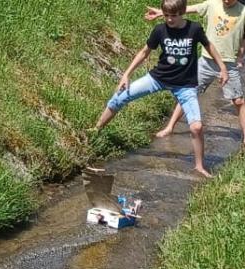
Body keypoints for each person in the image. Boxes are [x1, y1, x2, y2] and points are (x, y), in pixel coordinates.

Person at [91, 0, 229, 177]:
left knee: (196, 127)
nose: (170, 20)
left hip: (185, 85)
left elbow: (210, 46)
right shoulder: (159, 30)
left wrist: (223, 68)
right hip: (158, 78)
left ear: (183, 13)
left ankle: (199, 166)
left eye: (174, 15)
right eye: (166, 16)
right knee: (120, 96)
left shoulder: (194, 29)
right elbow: (144, 52)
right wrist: (126, 74)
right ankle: (96, 130)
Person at [144, 0, 245, 149]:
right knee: (188, 93)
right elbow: (185, 10)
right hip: (205, 62)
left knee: (239, 100)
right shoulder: (212, 4)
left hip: (228, 64)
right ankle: (170, 127)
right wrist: (160, 12)